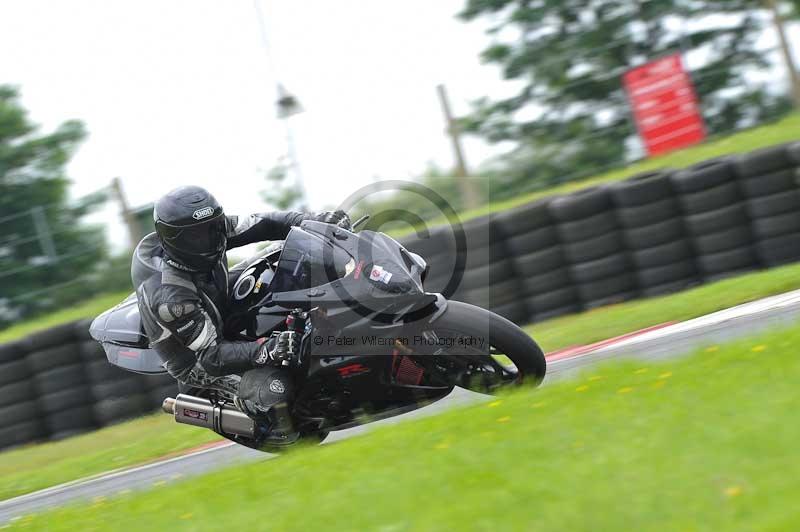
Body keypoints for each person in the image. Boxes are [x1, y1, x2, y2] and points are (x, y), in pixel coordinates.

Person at [131, 185, 350, 445]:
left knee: (285, 255)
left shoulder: (214, 231)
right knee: (278, 389)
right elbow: (211, 356)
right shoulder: (171, 299)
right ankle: (256, 414)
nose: (210, 240)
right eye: (198, 236)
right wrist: (267, 349)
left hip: (215, 298)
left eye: (213, 228)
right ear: (174, 240)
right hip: (195, 358)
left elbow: (267, 223)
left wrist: (314, 221)